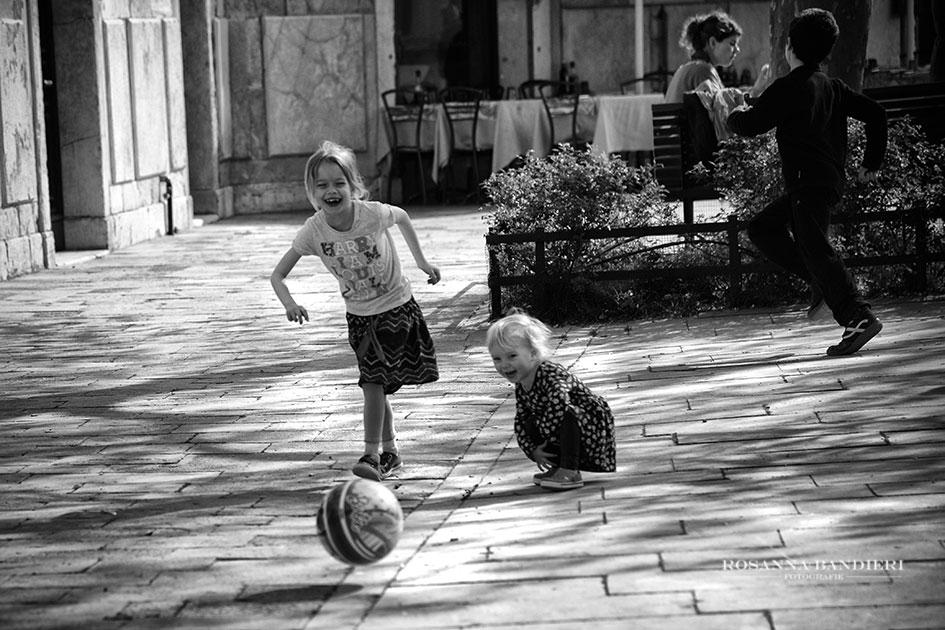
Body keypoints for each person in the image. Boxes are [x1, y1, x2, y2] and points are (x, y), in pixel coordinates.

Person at [270, 140, 441, 481]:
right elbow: (277, 275)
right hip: (359, 318)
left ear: (353, 187)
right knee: (373, 385)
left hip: (396, 307)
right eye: (322, 185)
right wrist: (289, 303)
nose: (331, 191)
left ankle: (371, 455)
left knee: (374, 383)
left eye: (338, 183)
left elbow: (403, 217)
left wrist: (421, 262)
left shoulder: (372, 213)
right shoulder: (314, 230)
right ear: (312, 191)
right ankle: (388, 453)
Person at [727, 8, 888, 356]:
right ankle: (820, 283)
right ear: (825, 50)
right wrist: (871, 162)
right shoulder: (832, 87)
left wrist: (731, 115)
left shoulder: (787, 87)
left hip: (806, 184)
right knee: (763, 228)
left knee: (819, 250)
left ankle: (857, 315)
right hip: (824, 183)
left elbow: (752, 123)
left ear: (790, 48)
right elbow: (877, 113)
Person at [486, 310, 616, 490]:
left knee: (566, 414)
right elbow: (520, 421)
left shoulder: (548, 374)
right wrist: (533, 450)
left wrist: (545, 429)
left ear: (532, 354)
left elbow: (561, 402)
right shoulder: (523, 384)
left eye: (512, 356)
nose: (504, 364)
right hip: (561, 426)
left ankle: (570, 470)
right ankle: (558, 466)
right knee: (529, 421)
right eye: (497, 359)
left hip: (591, 425)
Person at [664, 11, 769, 105]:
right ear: (713, 43)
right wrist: (754, 92)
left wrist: (755, 90)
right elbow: (723, 111)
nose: (737, 50)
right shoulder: (703, 70)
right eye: (732, 44)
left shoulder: (688, 68)